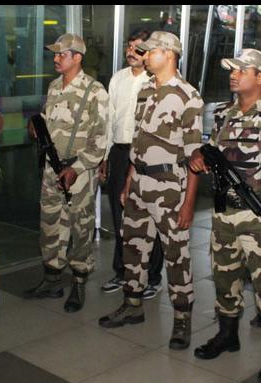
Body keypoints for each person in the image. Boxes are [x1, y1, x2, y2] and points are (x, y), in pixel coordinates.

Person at [190, 48, 261, 382]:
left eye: (243, 70)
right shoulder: (224, 113)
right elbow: (213, 152)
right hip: (224, 213)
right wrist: (200, 156)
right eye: (232, 69)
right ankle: (228, 335)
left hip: (260, 214)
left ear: (260, 76)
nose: (234, 74)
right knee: (224, 278)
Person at [98, 32, 203, 352]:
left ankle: (182, 319)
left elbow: (194, 158)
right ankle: (132, 304)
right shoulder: (145, 90)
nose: (143, 56)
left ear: (169, 54)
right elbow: (139, 141)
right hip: (140, 183)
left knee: (176, 255)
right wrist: (130, 178)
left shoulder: (188, 96)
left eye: (149, 52)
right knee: (133, 246)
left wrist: (188, 205)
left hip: (170, 187)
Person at [23, 33, 109, 313]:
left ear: (77, 57)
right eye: (56, 54)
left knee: (80, 226)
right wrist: (36, 127)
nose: (56, 58)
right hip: (52, 168)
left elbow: (100, 138)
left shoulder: (95, 91)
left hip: (79, 171)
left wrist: (78, 167)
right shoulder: (54, 87)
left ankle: (79, 281)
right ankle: (52, 278)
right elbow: (50, 121)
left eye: (62, 54)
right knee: (50, 223)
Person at [98, 30, 165, 298]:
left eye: (138, 48)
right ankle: (122, 272)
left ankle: (152, 276)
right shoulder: (118, 79)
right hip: (119, 151)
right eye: (129, 46)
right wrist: (105, 155)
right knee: (119, 213)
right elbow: (108, 120)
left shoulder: (158, 81)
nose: (131, 52)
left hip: (147, 156)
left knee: (149, 216)